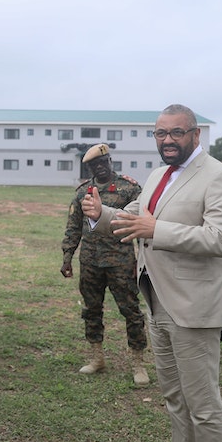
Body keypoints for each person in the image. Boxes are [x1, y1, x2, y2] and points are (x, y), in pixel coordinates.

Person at [82, 104, 222, 442]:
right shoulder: (157, 176)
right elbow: (136, 216)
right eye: (160, 133)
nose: (167, 140)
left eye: (176, 133)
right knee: (174, 396)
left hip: (194, 308)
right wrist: (102, 217)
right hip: (157, 299)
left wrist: (159, 231)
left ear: (195, 134)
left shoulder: (219, 177)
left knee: (203, 404)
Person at [61, 143, 147, 385]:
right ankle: (97, 357)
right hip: (90, 261)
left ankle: (138, 363)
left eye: (102, 162)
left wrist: (140, 258)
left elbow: (140, 221)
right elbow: (73, 227)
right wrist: (67, 257)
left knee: (130, 311)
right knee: (91, 310)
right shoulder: (82, 192)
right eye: (93, 165)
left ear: (110, 161)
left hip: (120, 261)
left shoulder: (129, 188)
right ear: (87, 167)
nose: (99, 167)